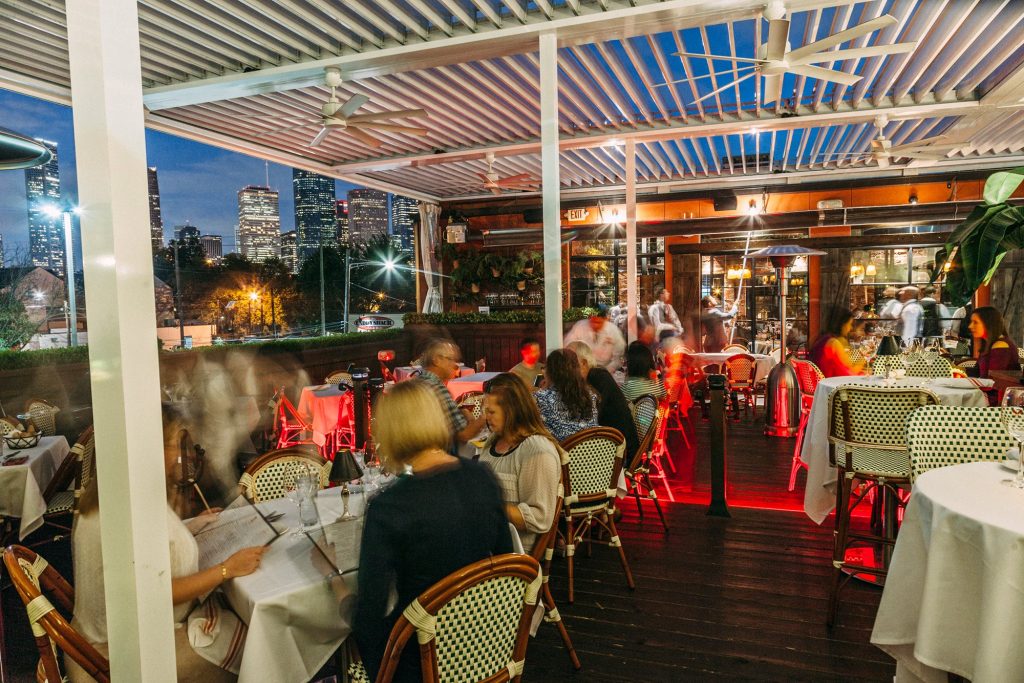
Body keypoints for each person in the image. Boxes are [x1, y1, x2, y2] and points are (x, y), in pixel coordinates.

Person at [69, 404, 267, 683]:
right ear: (150, 446)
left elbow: (142, 554)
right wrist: (227, 569)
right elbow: (157, 592)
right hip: (128, 652)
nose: (180, 455)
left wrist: (190, 526)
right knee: (258, 642)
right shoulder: (133, 507)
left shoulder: (115, 486)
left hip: (107, 634)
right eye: (174, 445)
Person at [356, 381, 512, 682]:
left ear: (389, 433)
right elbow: (506, 563)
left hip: (423, 661)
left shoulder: (389, 506)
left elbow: (370, 613)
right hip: (488, 645)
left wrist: (339, 595)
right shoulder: (482, 476)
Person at [478, 373, 562, 552]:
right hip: (487, 543)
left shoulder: (537, 451)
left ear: (512, 411)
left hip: (513, 554)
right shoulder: (493, 441)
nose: (486, 417)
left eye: (491, 412)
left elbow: (540, 518)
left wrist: (489, 505)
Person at [566, 341, 640, 465]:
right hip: (607, 446)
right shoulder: (590, 379)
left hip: (621, 454)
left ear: (583, 363)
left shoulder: (598, 377)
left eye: (569, 361)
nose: (565, 367)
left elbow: (589, 417)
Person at [417, 338, 487, 450]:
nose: (455, 365)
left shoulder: (418, 381)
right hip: (438, 453)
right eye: (451, 360)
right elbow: (464, 435)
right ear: (437, 360)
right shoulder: (437, 388)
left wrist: (465, 414)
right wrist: (485, 417)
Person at [534, 348, 599, 441]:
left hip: (560, 449)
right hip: (593, 447)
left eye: (545, 367)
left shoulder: (540, 398)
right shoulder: (590, 395)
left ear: (550, 372)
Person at [808, 306, 867, 378]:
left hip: (821, 381)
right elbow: (849, 374)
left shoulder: (821, 339)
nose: (850, 328)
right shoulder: (833, 343)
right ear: (842, 324)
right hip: (833, 383)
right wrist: (862, 361)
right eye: (849, 324)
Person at [563, 304, 626, 372]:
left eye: (599, 322)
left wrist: (610, 368)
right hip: (584, 367)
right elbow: (568, 344)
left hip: (605, 369)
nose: (596, 324)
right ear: (590, 317)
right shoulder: (580, 326)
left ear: (605, 319)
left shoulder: (613, 330)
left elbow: (619, 352)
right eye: (594, 321)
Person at [968, 306, 1021, 379]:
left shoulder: (1001, 346)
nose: (970, 326)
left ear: (989, 324)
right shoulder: (988, 344)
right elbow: (976, 372)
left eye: (975, 322)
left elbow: (992, 379)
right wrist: (955, 369)